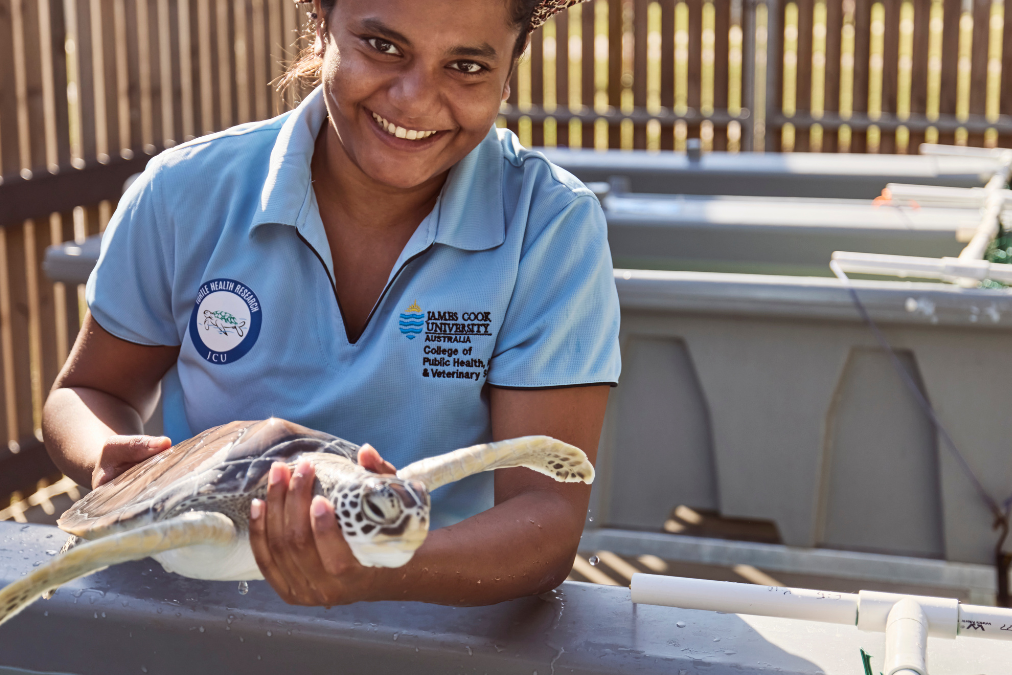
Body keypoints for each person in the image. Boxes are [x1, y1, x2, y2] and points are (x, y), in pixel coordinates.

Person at [42, 0, 619, 607]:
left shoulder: (548, 226)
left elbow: (546, 513)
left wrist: (380, 564)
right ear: (320, 19)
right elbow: (87, 392)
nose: (414, 99)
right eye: (384, 47)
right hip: (196, 612)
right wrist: (111, 461)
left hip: (439, 626)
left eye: (468, 66)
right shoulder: (184, 192)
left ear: (512, 63)